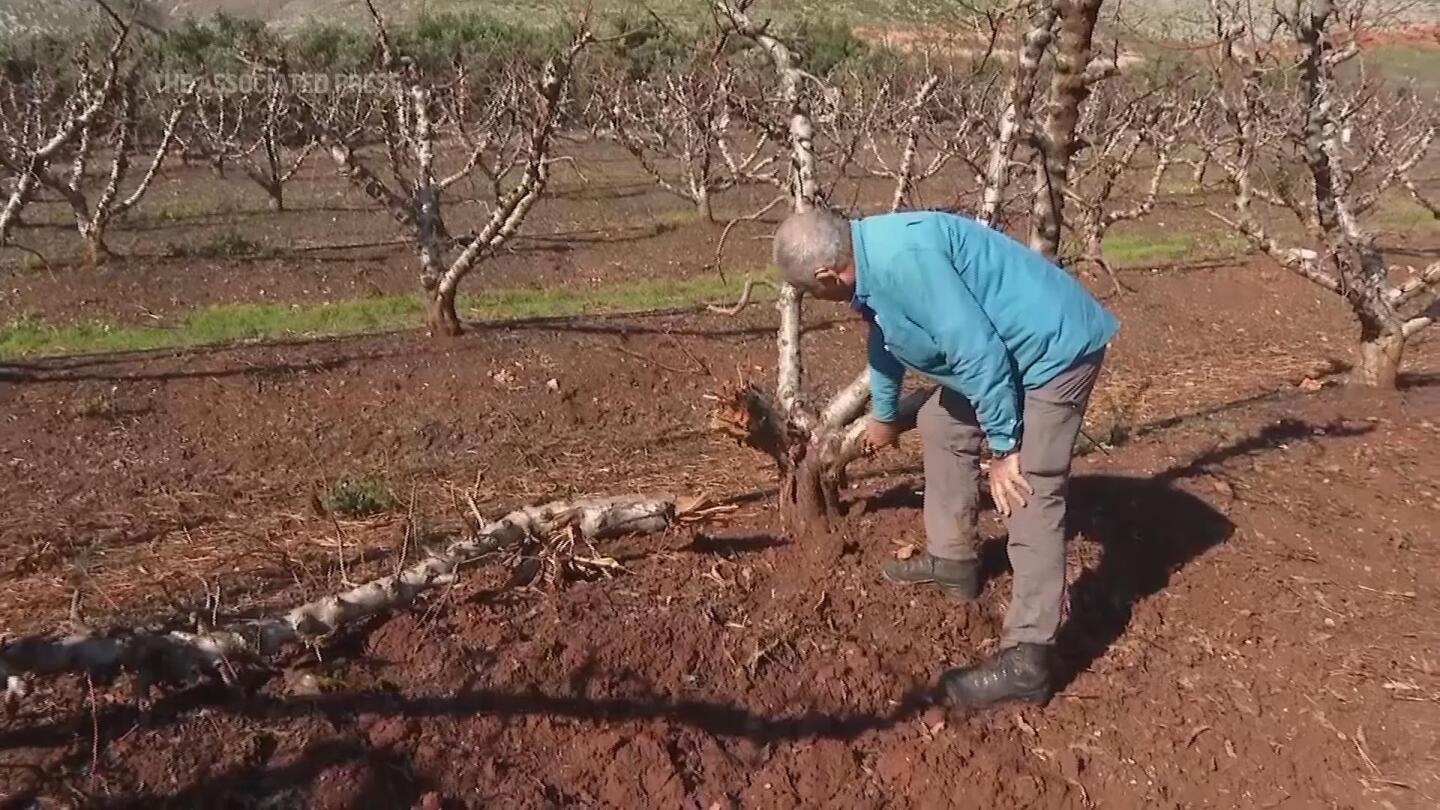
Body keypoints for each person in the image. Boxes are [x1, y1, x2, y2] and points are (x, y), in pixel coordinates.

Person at [771, 207, 1117, 711]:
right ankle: (955, 562)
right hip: (1009, 353)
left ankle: (1028, 661)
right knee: (940, 421)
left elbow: (979, 355)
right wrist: (885, 415)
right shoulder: (868, 259)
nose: (816, 299)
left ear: (827, 274)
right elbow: (885, 335)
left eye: (811, 290)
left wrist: (1004, 448)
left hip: (1052, 352)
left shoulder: (902, 262)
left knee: (1029, 488)